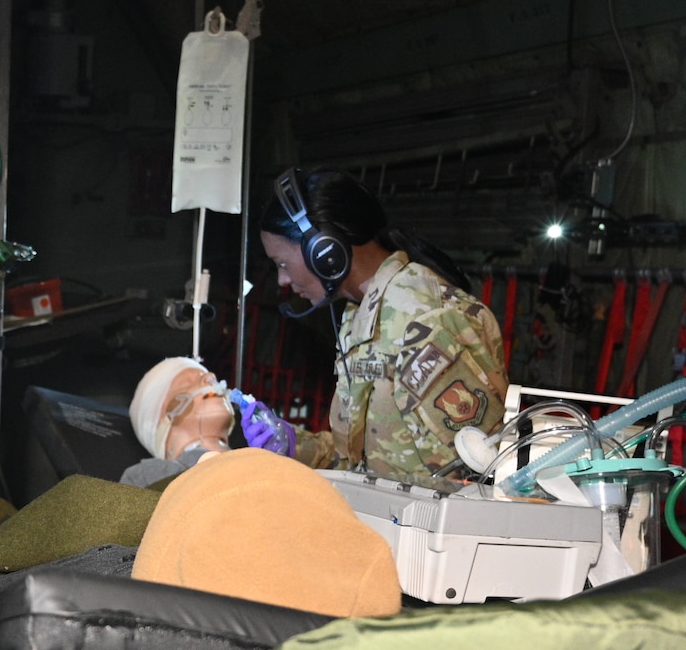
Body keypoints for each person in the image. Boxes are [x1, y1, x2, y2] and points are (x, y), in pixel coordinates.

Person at [261, 167, 506, 484]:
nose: (282, 279)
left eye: (282, 263)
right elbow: (364, 463)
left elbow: (468, 481)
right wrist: (294, 446)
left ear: (325, 252)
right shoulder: (359, 316)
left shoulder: (425, 322)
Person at [120, 356, 295, 487]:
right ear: (162, 417)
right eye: (186, 383)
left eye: (206, 375)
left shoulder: (262, 462)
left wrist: (281, 464)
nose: (209, 377)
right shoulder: (143, 478)